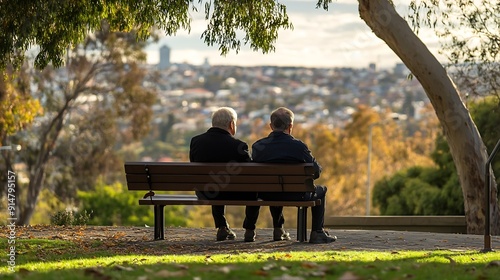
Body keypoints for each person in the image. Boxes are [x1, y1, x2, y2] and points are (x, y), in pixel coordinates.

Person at [251, 107, 337, 244]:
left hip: (266, 193)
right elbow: (316, 172)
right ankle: (317, 232)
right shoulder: (298, 147)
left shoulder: (258, 146)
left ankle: (278, 229)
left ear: (271, 126)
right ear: (290, 126)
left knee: (276, 185)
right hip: (297, 194)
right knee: (322, 190)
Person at [189, 107, 260, 241]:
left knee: (214, 183)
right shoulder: (239, 146)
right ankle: (250, 228)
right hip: (237, 193)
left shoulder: (196, 142)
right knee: (255, 189)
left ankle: (222, 226)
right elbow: (251, 174)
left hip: (206, 191)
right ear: (231, 124)